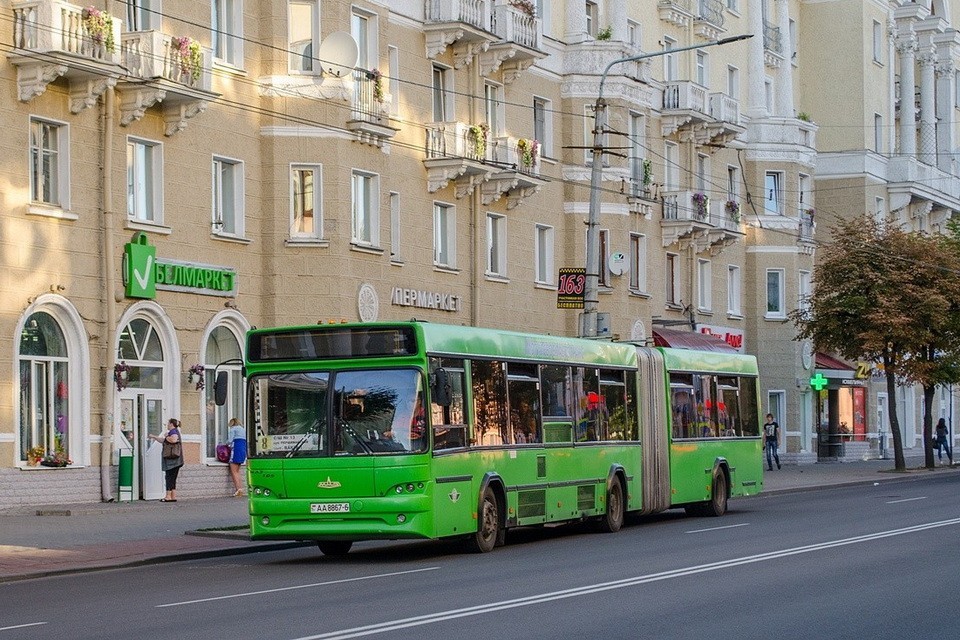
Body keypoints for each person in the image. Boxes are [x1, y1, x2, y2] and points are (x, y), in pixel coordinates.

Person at [150, 418, 184, 502]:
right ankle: (173, 496)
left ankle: (168, 496)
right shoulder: (174, 431)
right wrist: (155, 437)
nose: (167, 425)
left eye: (168, 423)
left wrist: (166, 436)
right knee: (172, 478)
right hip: (176, 460)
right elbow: (164, 441)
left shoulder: (173, 432)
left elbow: (173, 439)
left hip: (172, 460)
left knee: (169, 477)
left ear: (172, 424)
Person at [227, 417, 247, 496]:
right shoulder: (243, 429)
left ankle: (238, 489)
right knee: (237, 471)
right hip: (243, 449)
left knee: (234, 471)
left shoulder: (233, 429)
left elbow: (229, 440)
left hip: (236, 449)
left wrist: (225, 444)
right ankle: (241, 489)